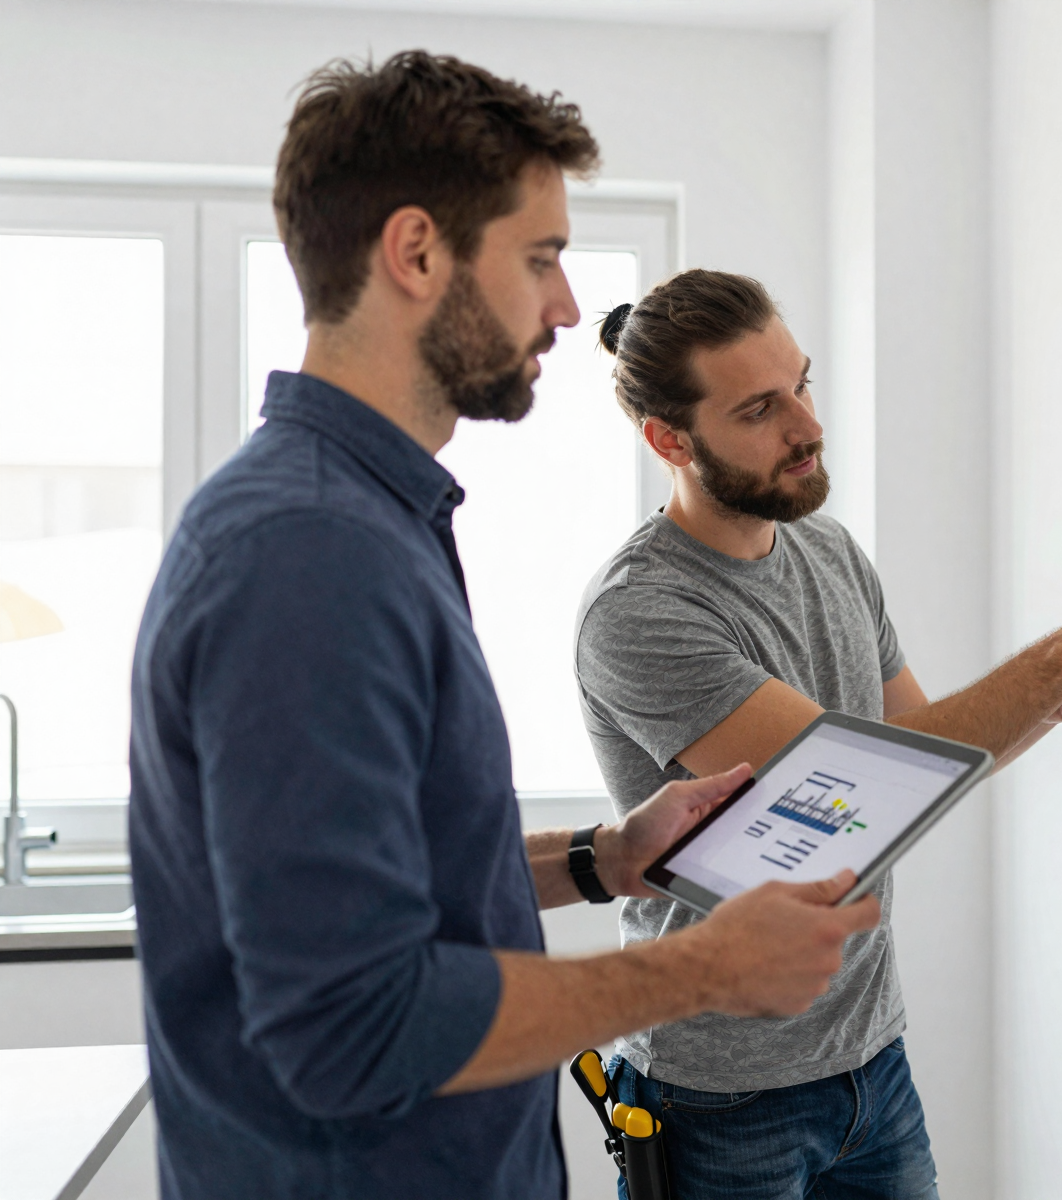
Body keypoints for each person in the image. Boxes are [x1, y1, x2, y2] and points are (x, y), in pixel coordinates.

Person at [128, 53, 879, 1200]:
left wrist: (603, 859)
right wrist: (698, 970)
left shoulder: (378, 516)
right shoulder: (307, 555)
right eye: (541, 259)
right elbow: (349, 1024)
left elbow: (397, 886)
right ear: (417, 251)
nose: (569, 308)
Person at [574, 269, 1062, 1199]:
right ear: (667, 438)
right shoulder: (642, 612)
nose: (806, 427)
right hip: (718, 1097)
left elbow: (915, 749)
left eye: (801, 385)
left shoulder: (830, 550)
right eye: (760, 409)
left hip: (870, 1060)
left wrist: (1044, 700)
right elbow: (850, 792)